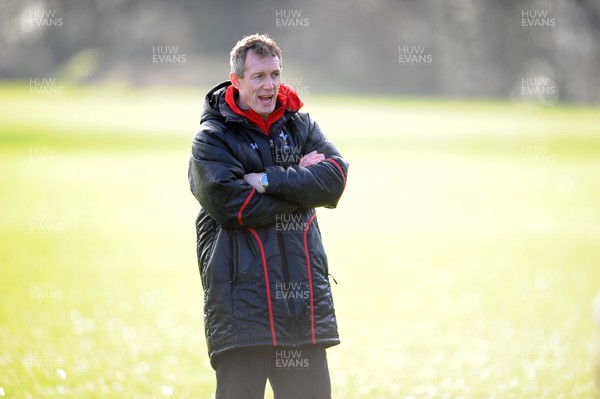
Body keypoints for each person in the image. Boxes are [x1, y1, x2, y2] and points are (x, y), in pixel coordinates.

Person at [188, 34, 349, 399]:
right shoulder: (210, 138)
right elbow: (235, 208)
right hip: (243, 312)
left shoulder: (302, 125)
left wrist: (265, 180)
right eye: (259, 76)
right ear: (236, 81)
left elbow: (334, 181)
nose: (270, 85)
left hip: (303, 310)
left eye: (275, 74)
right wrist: (301, 186)